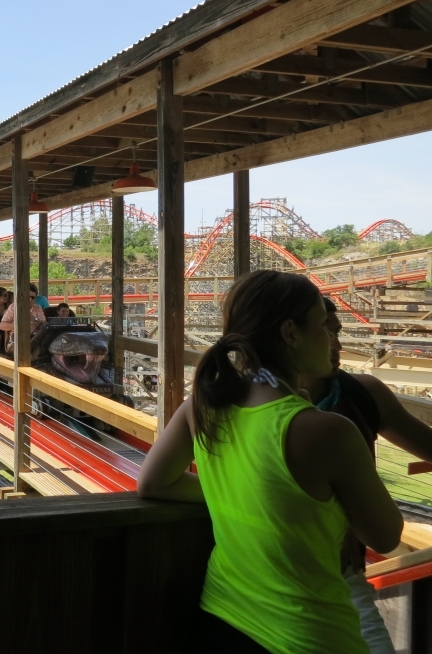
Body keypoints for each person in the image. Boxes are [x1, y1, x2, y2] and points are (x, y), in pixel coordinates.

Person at [138, 270, 401, 654]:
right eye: (322, 325)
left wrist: (241, 495)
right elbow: (385, 535)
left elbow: (154, 483)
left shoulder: (204, 406)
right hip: (309, 635)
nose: (330, 336)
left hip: (221, 620)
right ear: (291, 333)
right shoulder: (325, 431)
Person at [302, 297, 432, 653]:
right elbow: (385, 535)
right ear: (289, 335)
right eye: (326, 331)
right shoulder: (234, 401)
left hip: (341, 577)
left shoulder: (360, 393)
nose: (337, 342)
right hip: (315, 579)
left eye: (338, 330)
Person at [0, 284, 47, 354]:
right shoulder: (14, 307)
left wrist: (33, 318)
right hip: (17, 339)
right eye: (28, 296)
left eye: (33, 297)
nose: (30, 299)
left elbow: (44, 325)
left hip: (36, 338)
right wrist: (22, 326)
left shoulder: (38, 308)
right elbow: (2, 325)